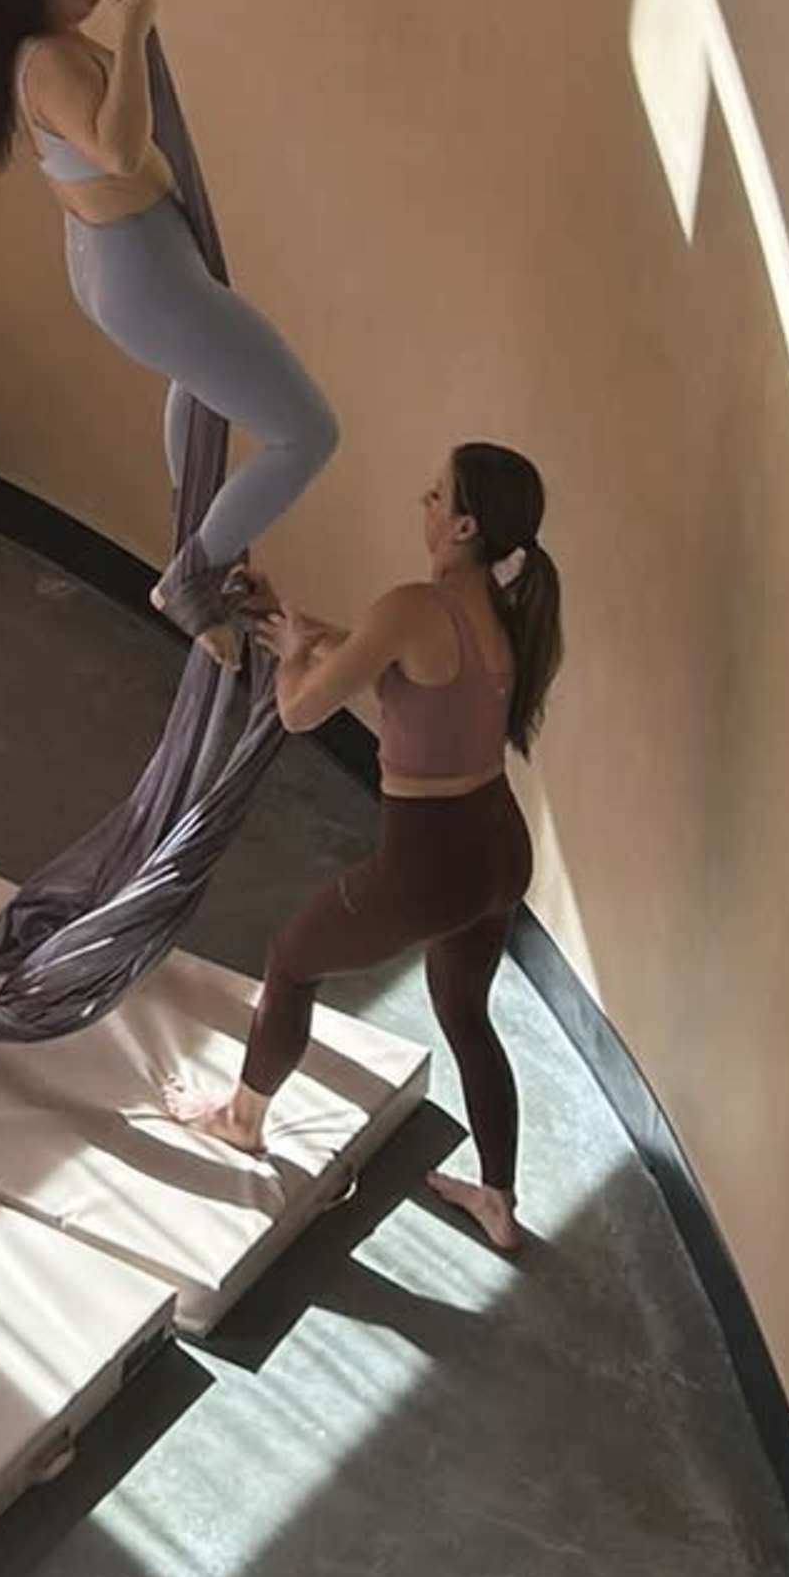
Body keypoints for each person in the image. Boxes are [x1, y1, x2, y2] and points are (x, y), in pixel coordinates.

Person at [0, 0, 335, 650]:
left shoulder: (46, 49)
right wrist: (137, 26)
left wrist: (119, 25)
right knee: (306, 431)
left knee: (203, 384)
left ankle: (199, 547)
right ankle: (191, 577)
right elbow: (121, 150)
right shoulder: (47, 58)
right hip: (139, 267)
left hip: (128, 260)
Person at [176, 445, 564, 1252]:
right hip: (499, 848)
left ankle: (241, 1121)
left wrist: (290, 660)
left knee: (291, 958)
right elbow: (392, 660)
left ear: (461, 526)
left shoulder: (414, 604)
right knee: (464, 1011)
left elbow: (299, 714)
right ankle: (496, 1199)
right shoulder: (501, 606)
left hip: (431, 866)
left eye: (435, 493)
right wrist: (299, 628)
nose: (421, 502)